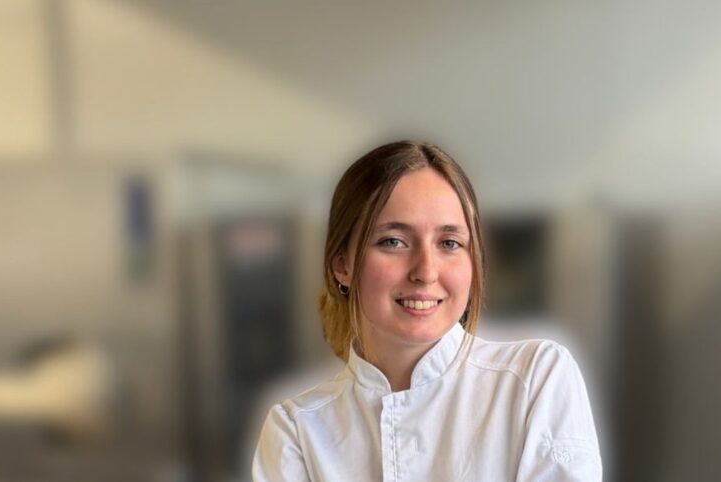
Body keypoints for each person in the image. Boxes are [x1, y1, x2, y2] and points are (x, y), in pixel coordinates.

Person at [252, 141, 601, 481]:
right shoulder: (297, 429)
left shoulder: (535, 379)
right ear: (342, 264)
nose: (426, 271)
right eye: (394, 241)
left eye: (449, 243)